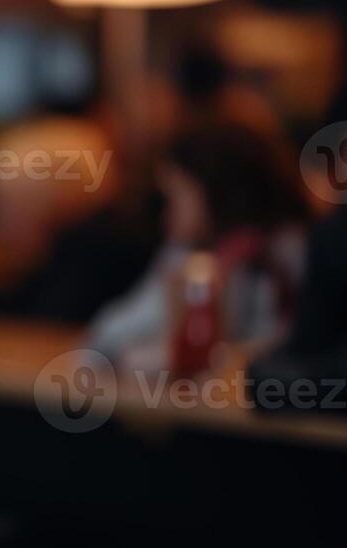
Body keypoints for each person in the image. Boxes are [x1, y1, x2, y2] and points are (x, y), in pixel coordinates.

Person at [84, 119, 310, 371]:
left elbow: (276, 352)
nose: (166, 216)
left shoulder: (285, 255)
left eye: (174, 197)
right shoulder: (187, 257)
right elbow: (104, 338)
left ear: (213, 189)